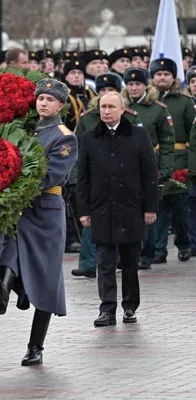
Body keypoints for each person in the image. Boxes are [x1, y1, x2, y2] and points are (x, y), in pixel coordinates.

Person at [0, 78, 77, 366]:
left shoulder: (64, 136)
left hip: (46, 209)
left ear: (61, 105)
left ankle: (35, 346)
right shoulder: (24, 131)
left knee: (47, 276)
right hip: (19, 207)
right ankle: (2, 290)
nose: (43, 103)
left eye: (50, 99)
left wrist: (14, 185)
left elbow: (51, 175)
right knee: (10, 250)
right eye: (40, 98)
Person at [77, 92, 158, 326]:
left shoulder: (138, 135)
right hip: (102, 208)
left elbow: (149, 175)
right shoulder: (90, 137)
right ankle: (107, 308)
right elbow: (83, 178)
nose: (106, 111)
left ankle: (130, 306)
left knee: (130, 261)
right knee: (104, 261)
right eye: (103, 106)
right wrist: (84, 210)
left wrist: (150, 208)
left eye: (111, 106)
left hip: (131, 207)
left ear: (123, 109)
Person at [71, 72, 143, 278]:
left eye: (111, 92)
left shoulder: (130, 120)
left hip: (123, 183)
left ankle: (121, 259)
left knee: (122, 226)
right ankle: (88, 262)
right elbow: (79, 153)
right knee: (90, 224)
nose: (106, 102)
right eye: (102, 92)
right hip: (96, 184)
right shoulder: (87, 120)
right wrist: (76, 178)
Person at [122, 68, 175, 269]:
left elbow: (168, 142)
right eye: (130, 84)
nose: (134, 88)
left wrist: (166, 169)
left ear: (146, 85)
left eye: (138, 84)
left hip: (150, 164)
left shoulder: (158, 109)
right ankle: (128, 253)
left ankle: (148, 253)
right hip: (124, 165)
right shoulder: (120, 106)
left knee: (149, 210)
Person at [151, 58, 195, 263]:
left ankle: (184, 243)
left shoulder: (184, 102)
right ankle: (159, 250)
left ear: (173, 77)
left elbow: (191, 134)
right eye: (158, 74)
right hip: (154, 160)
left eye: (166, 74)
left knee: (179, 208)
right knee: (159, 207)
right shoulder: (147, 102)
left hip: (179, 160)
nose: (162, 77)